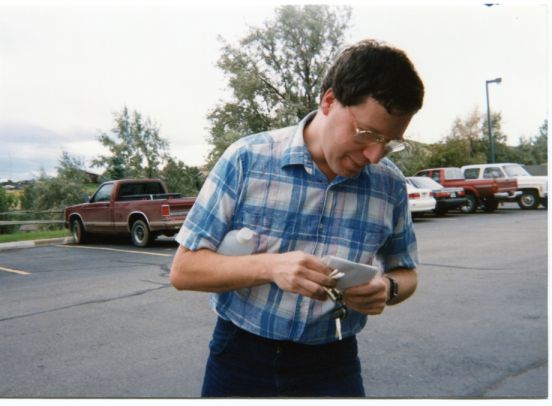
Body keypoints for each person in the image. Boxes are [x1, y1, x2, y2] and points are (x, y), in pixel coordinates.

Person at [170, 39, 424, 397]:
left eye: (391, 142)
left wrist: (387, 288)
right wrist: (270, 267)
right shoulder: (246, 159)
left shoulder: (390, 185)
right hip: (240, 357)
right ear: (329, 101)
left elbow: (406, 272)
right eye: (367, 134)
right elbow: (184, 271)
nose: (374, 155)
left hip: (333, 365)